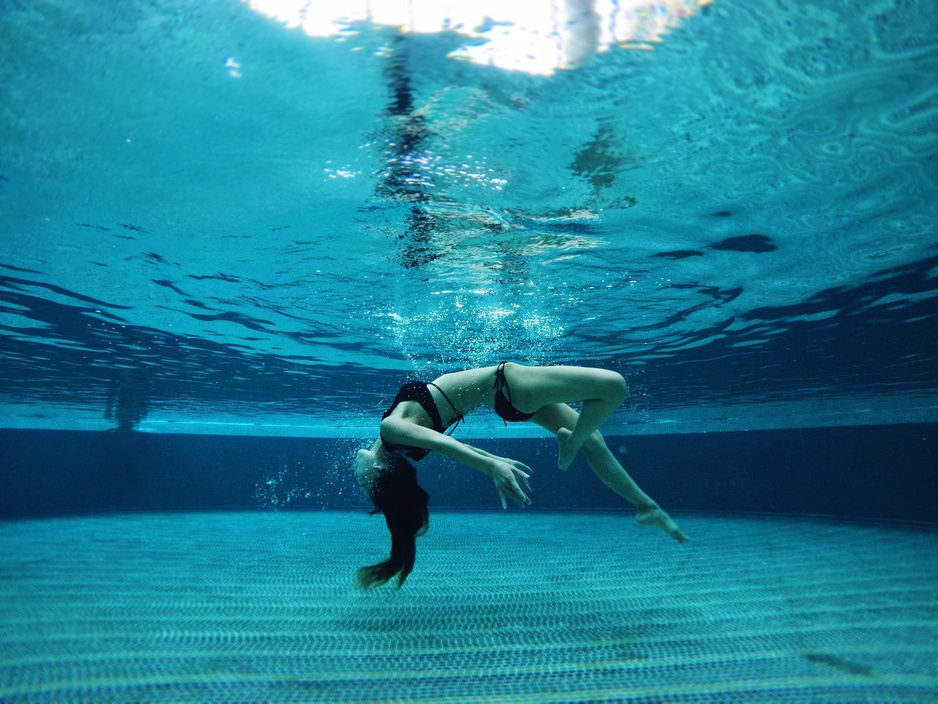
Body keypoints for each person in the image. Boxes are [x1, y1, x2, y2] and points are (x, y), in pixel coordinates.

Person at [355, 362, 687, 589]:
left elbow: (445, 445)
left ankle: (646, 507)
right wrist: (492, 466)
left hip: (506, 396)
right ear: (383, 474)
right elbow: (447, 446)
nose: (364, 472)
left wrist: (494, 459)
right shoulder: (392, 429)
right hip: (509, 385)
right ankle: (570, 444)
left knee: (594, 440)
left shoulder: (404, 447)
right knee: (614, 387)